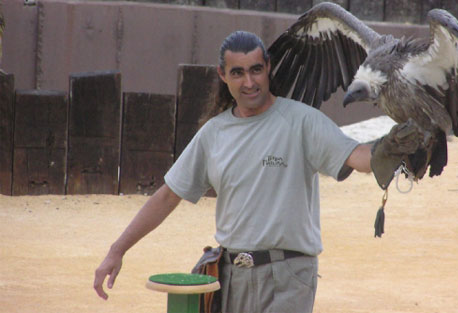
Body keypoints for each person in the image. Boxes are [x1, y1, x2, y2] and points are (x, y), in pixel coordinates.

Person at [93, 30, 373, 313]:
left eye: (256, 70)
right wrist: (117, 250)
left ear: (268, 68)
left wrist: (401, 149)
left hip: (288, 277)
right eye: (238, 73)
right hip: (229, 278)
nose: (249, 82)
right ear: (223, 75)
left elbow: (359, 157)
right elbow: (167, 197)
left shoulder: (302, 121)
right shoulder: (213, 134)